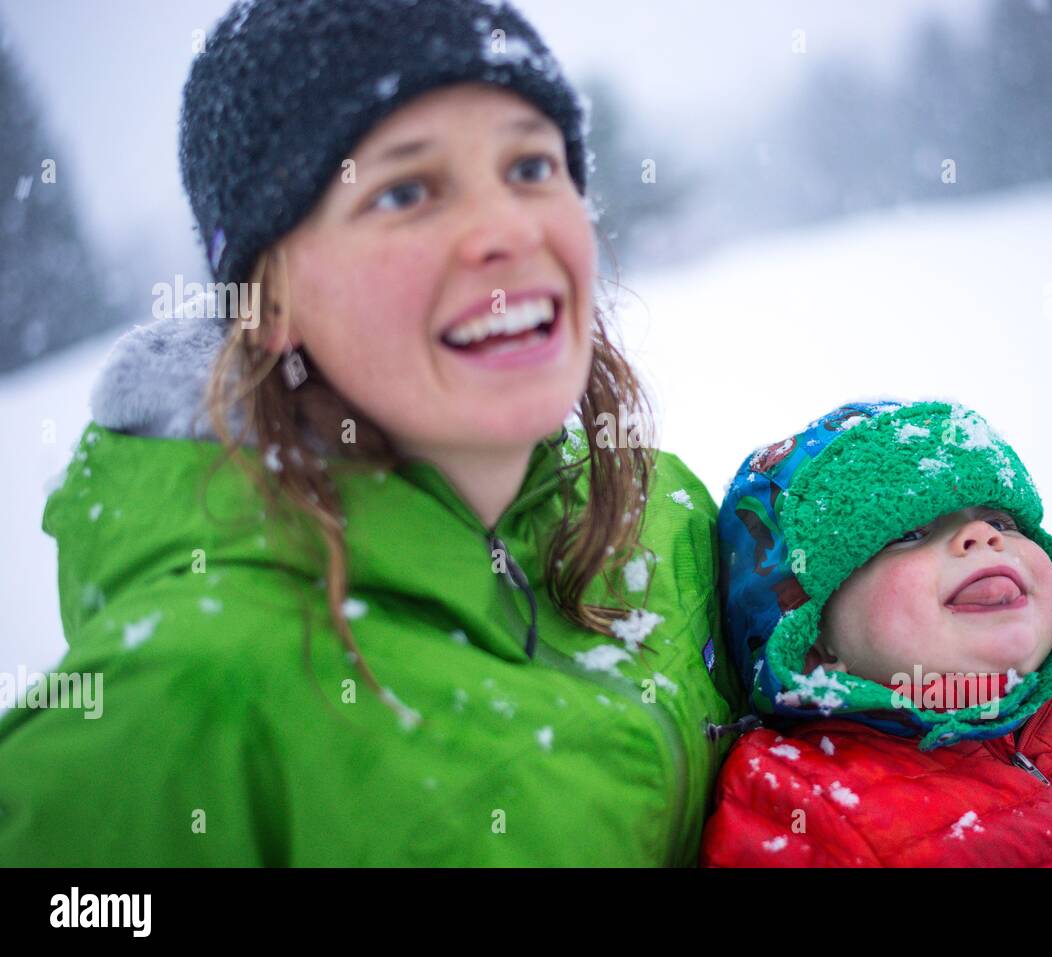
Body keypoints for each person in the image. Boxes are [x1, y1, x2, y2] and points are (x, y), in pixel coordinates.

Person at [0, 0, 743, 867]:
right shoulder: (189, 698)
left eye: (532, 165)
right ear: (268, 299)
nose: (507, 230)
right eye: (405, 191)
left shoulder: (671, 519)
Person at [699, 398, 1052, 867]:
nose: (982, 535)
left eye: (1001, 520)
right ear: (814, 643)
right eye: (909, 533)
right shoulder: (803, 801)